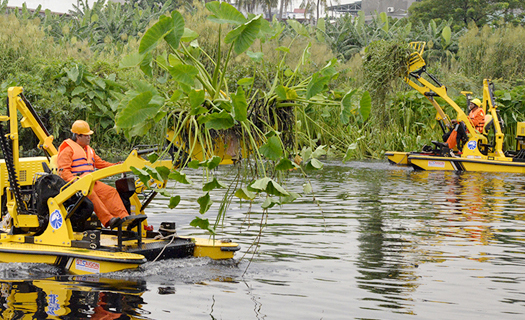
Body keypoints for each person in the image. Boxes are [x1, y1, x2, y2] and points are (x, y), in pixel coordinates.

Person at [57, 120, 128, 229]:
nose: (89, 138)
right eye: (86, 136)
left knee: (110, 192)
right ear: (77, 136)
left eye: (89, 135)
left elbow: (101, 164)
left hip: (90, 182)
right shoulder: (67, 150)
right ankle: (108, 220)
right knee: (92, 195)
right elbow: (63, 171)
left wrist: (117, 165)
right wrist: (74, 180)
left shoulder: (90, 151)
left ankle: (124, 218)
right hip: (77, 184)